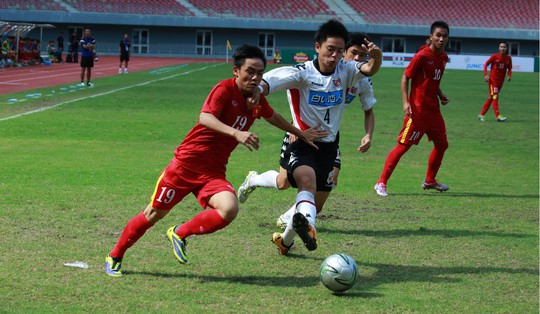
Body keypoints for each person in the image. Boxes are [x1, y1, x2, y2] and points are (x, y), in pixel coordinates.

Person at [105, 44, 327, 277]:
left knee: (230, 208)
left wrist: (300, 132)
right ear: (236, 71)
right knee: (153, 214)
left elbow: (273, 116)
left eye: (260, 73)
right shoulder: (223, 89)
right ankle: (115, 255)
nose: (255, 77)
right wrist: (236, 133)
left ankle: (180, 233)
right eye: (250, 71)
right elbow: (204, 117)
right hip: (185, 165)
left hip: (212, 173)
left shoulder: (256, 98)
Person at [241, 20, 382, 256]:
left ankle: (285, 241)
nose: (335, 55)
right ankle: (304, 222)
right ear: (317, 47)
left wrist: (376, 57)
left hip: (329, 146)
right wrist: (258, 90)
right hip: (302, 141)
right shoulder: (302, 73)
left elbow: (368, 70)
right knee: (300, 183)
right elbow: (271, 80)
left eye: (339, 51)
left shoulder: (347, 71)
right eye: (330, 49)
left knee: (315, 201)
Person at [374, 21, 451, 197]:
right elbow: (405, 77)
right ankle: (381, 182)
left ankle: (430, 180)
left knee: (442, 144)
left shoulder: (443, 57)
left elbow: (432, 80)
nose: (441, 38)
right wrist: (405, 103)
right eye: (438, 35)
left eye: (444, 36)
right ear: (431, 36)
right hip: (417, 112)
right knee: (403, 146)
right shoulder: (422, 56)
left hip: (434, 112)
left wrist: (440, 93)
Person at [478, 41, 512, 122]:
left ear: (507, 48)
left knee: (491, 97)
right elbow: (486, 64)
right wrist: (485, 75)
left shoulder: (508, 58)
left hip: (501, 82)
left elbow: (509, 68)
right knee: (495, 96)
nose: (502, 48)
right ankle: (498, 116)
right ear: (499, 48)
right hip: (493, 81)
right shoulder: (494, 56)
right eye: (501, 47)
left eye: (504, 47)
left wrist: (509, 75)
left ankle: (481, 115)